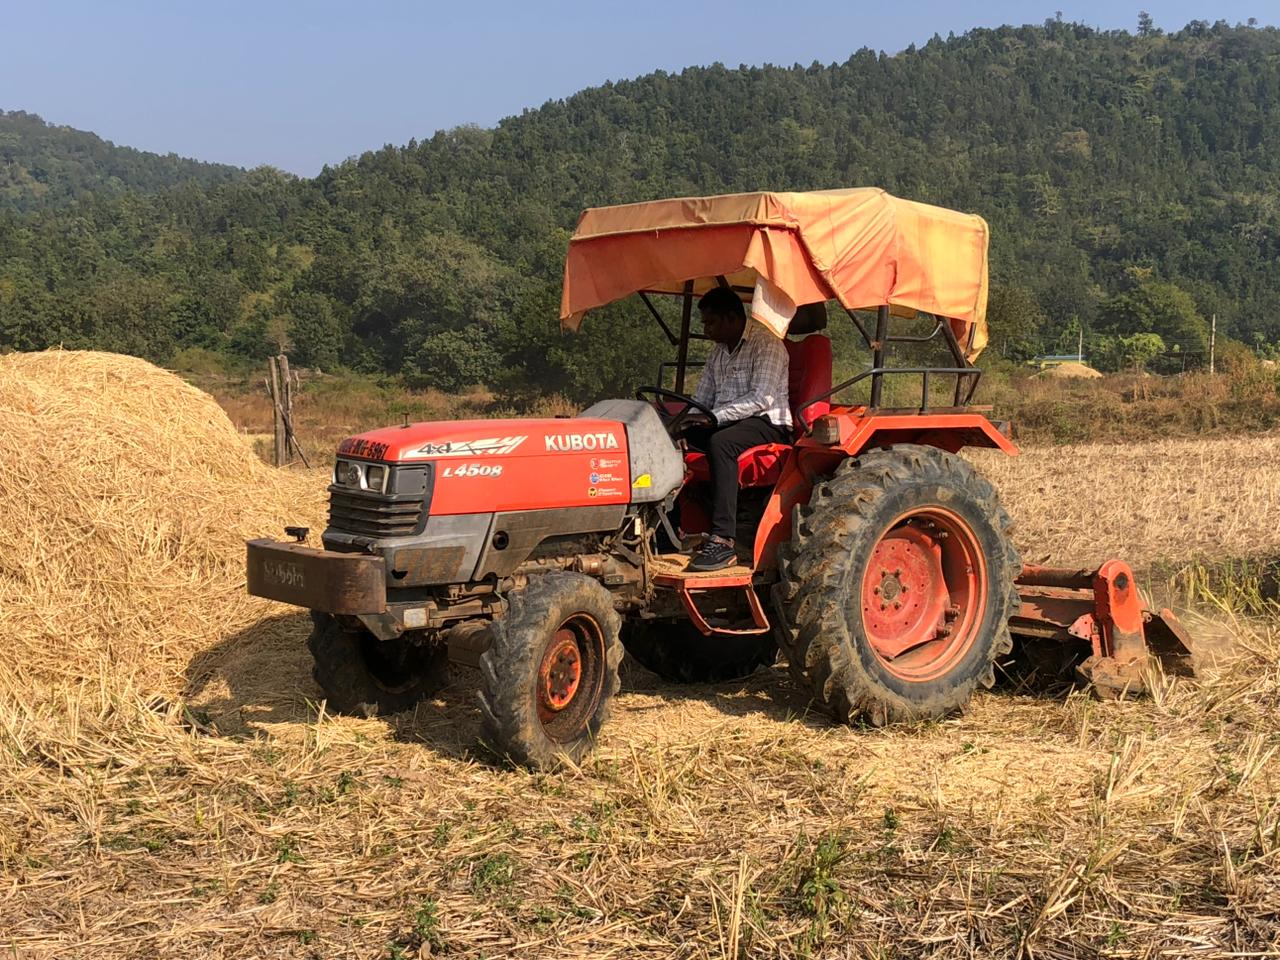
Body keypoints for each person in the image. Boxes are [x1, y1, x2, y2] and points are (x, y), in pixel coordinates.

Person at [681, 285, 791, 571]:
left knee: (721, 443)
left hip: (767, 422)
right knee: (674, 437)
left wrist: (713, 419)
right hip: (727, 420)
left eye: (710, 322)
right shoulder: (718, 353)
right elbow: (702, 399)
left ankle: (723, 540)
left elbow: (761, 398)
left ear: (731, 318)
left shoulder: (767, 345)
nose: (706, 330)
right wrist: (683, 424)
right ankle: (675, 525)